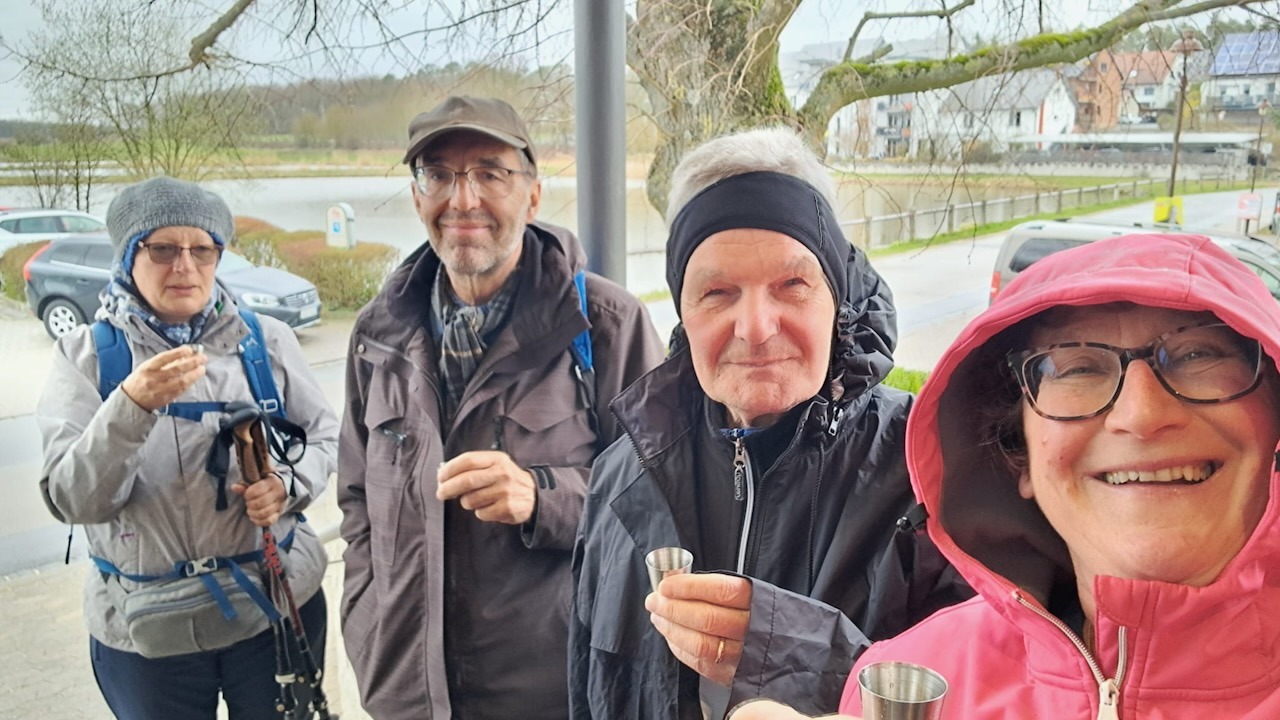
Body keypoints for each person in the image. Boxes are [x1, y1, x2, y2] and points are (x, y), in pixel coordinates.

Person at [728, 232, 1280, 720]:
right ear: (1021, 456)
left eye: (1197, 354)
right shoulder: (911, 679)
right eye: (1077, 367)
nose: (1141, 413)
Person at [568, 127, 968, 720]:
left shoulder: (933, 472)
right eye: (717, 292)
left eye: (792, 285)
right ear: (683, 312)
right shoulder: (619, 481)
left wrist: (803, 657)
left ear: (838, 299)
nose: (755, 327)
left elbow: (1002, 689)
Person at [337, 95, 665, 719]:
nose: (463, 200)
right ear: (417, 197)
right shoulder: (377, 336)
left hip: (552, 696)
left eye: (490, 173)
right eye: (439, 175)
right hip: (408, 696)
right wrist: (367, 626)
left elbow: (661, 497)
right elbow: (357, 503)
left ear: (533, 196)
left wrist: (542, 497)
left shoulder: (606, 324)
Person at [37, 176, 338, 719]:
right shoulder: (85, 357)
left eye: (203, 249)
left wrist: (287, 486)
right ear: (128, 256)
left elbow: (324, 436)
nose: (185, 266)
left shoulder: (265, 340)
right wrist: (131, 406)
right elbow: (74, 499)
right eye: (162, 249)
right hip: (146, 631)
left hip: (272, 607)